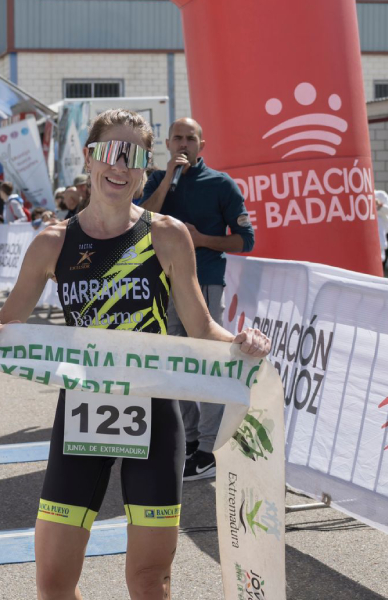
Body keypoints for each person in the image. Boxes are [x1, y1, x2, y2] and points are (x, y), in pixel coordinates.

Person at [0, 109, 271, 600]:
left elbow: (201, 327)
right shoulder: (52, 242)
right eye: (111, 152)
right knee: (53, 581)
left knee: (150, 580)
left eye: (134, 156)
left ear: (147, 168)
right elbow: (8, 326)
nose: (120, 166)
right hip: (81, 415)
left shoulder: (168, 235)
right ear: (89, 158)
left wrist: (241, 343)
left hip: (155, 413)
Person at [137, 117, 256, 482]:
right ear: (167, 144)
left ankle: (209, 449)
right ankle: (189, 440)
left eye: (190, 138)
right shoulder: (157, 180)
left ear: (202, 144)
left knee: (204, 363)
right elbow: (140, 220)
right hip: (159, 284)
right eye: (177, 138)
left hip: (203, 282)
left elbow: (245, 240)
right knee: (174, 365)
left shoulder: (220, 184)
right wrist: (168, 178)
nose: (183, 144)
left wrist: (201, 240)